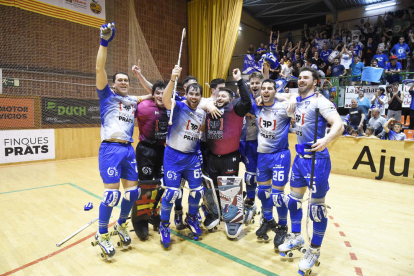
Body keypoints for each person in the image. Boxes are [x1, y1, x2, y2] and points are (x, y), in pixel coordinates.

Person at [277, 66, 344, 275]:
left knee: (316, 209)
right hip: (299, 158)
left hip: (317, 159)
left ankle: (314, 250)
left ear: (315, 81)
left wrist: (326, 139)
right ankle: (296, 236)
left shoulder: (320, 101)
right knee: (293, 201)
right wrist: (288, 97)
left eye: (306, 78)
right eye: (300, 78)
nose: (302, 80)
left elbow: (339, 125)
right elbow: (276, 93)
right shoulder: (297, 99)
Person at [94, 23, 143, 258]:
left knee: (133, 194)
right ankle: (102, 234)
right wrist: (104, 42)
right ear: (113, 84)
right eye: (120, 80)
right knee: (112, 195)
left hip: (129, 151)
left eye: (126, 80)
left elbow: (154, 94)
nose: (123, 82)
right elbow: (99, 68)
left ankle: (121, 224)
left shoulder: (132, 100)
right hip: (110, 150)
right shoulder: (107, 96)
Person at [159, 65, 206, 247]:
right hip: (173, 156)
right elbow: (164, 99)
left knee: (197, 191)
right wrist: (172, 79)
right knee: (171, 193)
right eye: (191, 93)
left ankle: (192, 218)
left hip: (192, 157)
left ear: (201, 96)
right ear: (185, 93)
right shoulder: (177, 106)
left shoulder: (202, 113)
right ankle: (164, 225)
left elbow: (198, 134)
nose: (194, 97)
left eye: (197, 94)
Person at [204, 69, 252, 237]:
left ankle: (232, 218)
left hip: (230, 157)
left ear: (231, 99)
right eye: (218, 96)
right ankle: (215, 213)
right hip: (211, 157)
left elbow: (247, 101)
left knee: (229, 189)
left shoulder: (236, 108)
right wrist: (209, 104)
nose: (220, 98)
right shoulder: (209, 108)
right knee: (213, 189)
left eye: (224, 96)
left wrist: (239, 80)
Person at [249, 78, 293, 248]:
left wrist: (288, 98)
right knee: (262, 193)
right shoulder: (257, 108)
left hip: (280, 155)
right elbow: (244, 101)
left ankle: (282, 226)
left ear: (275, 91)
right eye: (263, 89)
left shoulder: (284, 108)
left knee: (278, 196)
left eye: (269, 89)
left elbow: (296, 99)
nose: (266, 91)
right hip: (262, 156)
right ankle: (268, 221)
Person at [133, 80, 168, 240]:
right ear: (153, 94)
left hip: (162, 149)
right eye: (158, 92)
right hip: (145, 150)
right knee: (146, 186)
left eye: (163, 92)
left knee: (163, 184)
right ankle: (140, 221)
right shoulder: (143, 107)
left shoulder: (171, 106)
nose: (161, 95)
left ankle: (154, 212)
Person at [239, 72, 263, 224]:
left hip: (261, 143)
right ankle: (249, 202)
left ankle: (265, 211)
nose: (254, 86)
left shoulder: (268, 99)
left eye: (256, 83)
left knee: (263, 178)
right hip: (245, 141)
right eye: (252, 83)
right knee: (249, 176)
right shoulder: (246, 100)